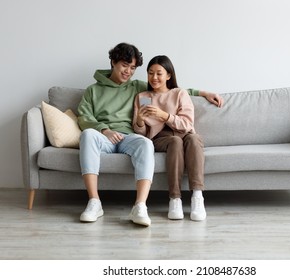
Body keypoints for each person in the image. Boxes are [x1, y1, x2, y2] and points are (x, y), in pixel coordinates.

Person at [77, 43, 223, 227]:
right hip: (104, 136)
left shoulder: (136, 87)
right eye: (124, 65)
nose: (128, 72)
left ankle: (140, 206)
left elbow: (169, 89)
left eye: (132, 68)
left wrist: (204, 93)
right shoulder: (93, 90)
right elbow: (83, 116)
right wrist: (104, 130)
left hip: (129, 137)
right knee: (88, 134)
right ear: (113, 62)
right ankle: (94, 202)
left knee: (147, 143)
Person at [133, 55, 207, 221]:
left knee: (194, 139)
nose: (154, 77)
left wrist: (165, 116)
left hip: (185, 134)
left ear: (169, 75)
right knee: (175, 141)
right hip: (161, 139)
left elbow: (187, 124)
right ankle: (175, 198)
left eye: (159, 73)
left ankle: (197, 197)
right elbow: (142, 135)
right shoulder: (143, 97)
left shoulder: (179, 93)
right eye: (150, 73)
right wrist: (139, 120)